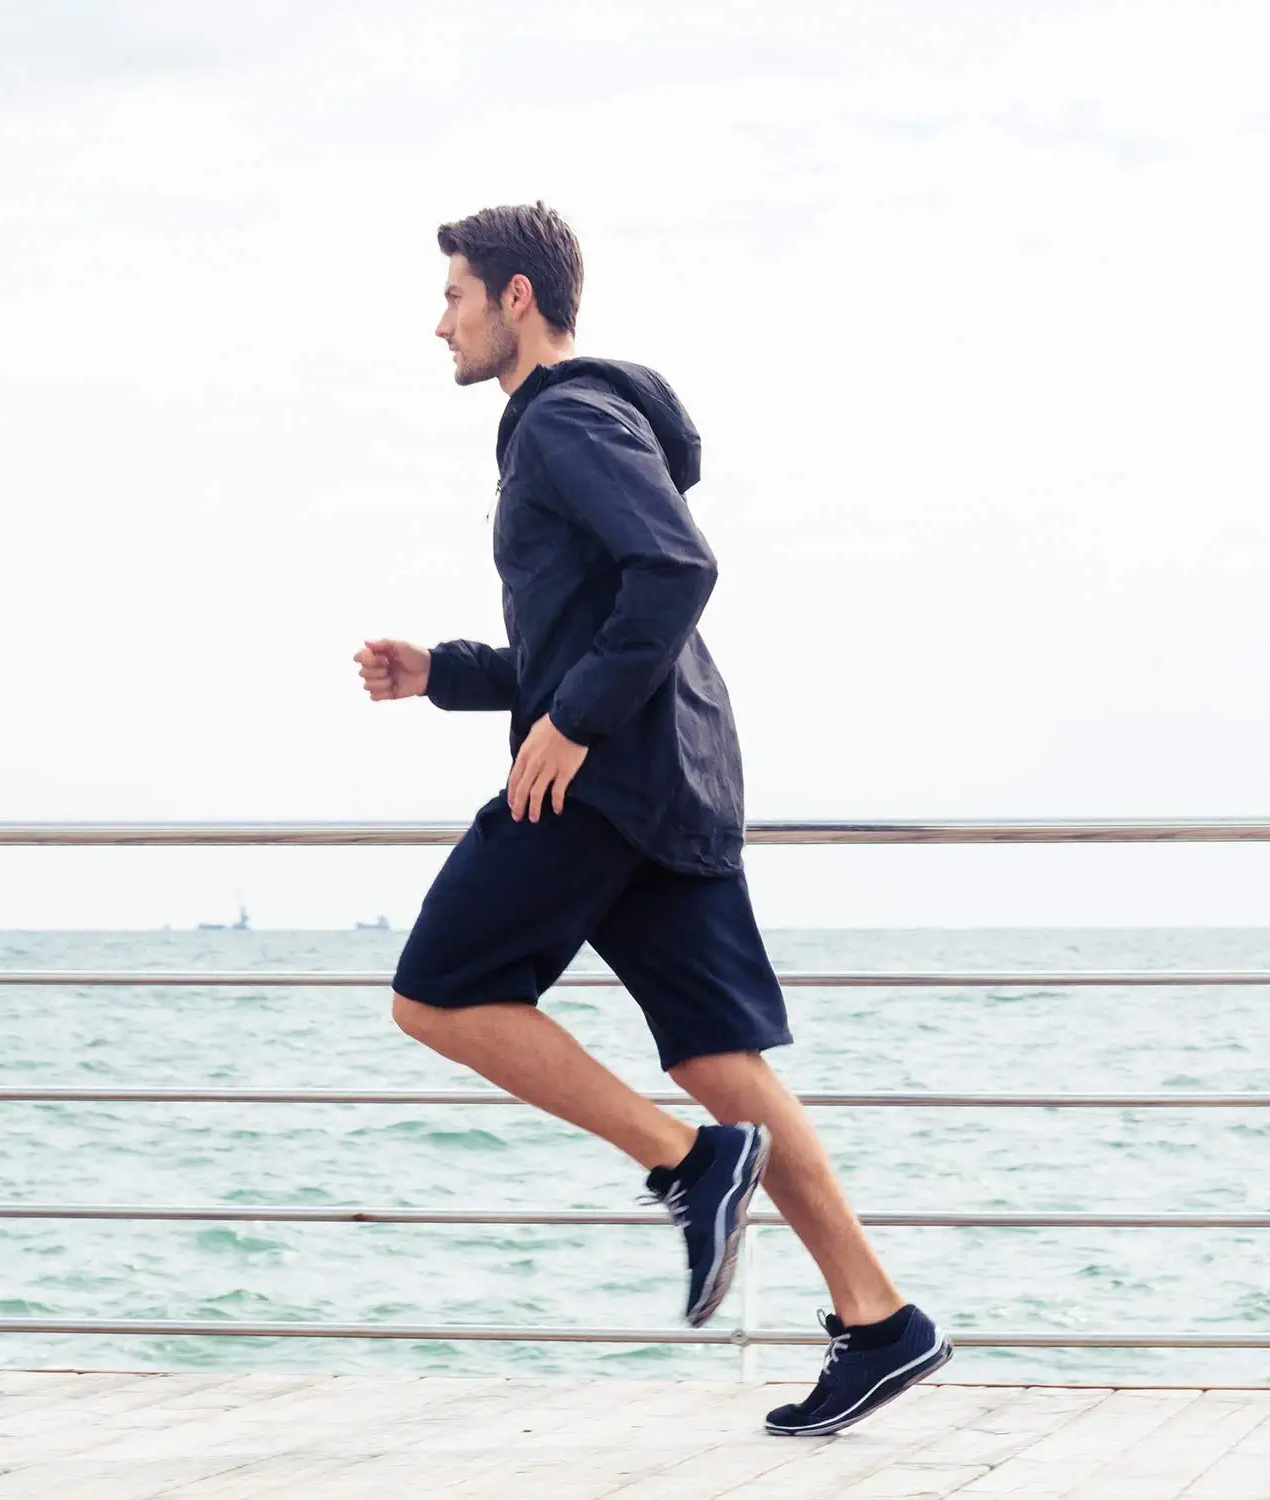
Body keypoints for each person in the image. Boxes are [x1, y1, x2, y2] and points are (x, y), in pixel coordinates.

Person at [354, 201, 951, 1435]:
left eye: (455, 295)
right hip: (667, 773)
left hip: (605, 779)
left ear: (518, 298)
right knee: (715, 1056)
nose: (440, 323)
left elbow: (675, 569)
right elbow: (584, 627)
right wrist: (450, 672)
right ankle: (882, 1318)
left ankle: (687, 1164)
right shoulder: (590, 421)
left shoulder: (565, 416)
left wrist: (566, 725)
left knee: (438, 991)